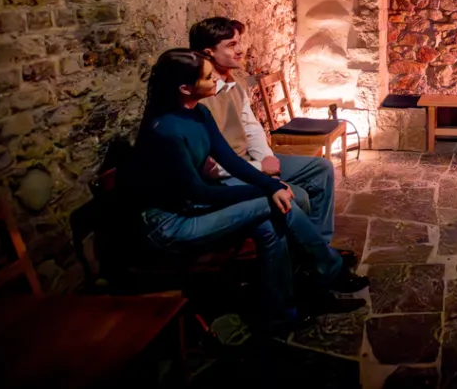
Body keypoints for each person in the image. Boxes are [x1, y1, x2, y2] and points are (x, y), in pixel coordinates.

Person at [122, 49, 367, 336]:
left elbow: (230, 160)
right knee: (274, 204)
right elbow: (196, 196)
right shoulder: (165, 132)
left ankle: (283, 311)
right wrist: (262, 192)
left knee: (269, 223)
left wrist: (272, 184)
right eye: (208, 76)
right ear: (185, 88)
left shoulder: (198, 113)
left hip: (195, 205)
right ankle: (329, 269)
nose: (217, 79)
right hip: (173, 223)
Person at [188, 17, 344, 257]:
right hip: (228, 173)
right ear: (208, 53)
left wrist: (268, 158)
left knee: (321, 168)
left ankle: (318, 247)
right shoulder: (199, 95)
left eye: (239, 42)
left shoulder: (233, 83)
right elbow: (211, 166)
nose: (240, 50)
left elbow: (251, 126)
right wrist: (259, 168)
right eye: (231, 45)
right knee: (298, 196)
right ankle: (310, 255)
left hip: (248, 160)